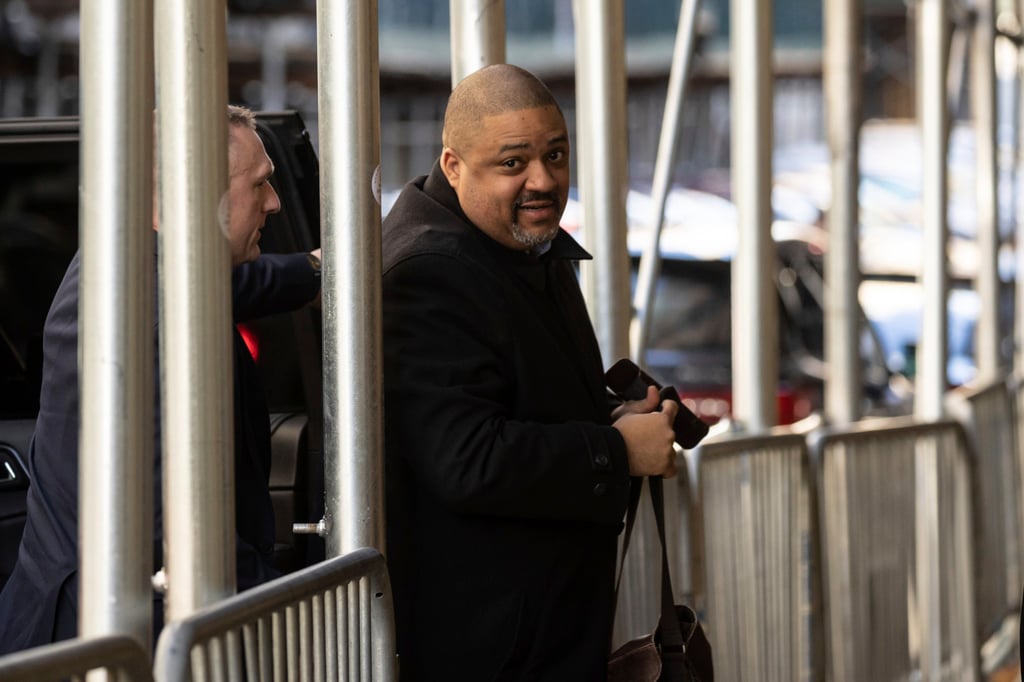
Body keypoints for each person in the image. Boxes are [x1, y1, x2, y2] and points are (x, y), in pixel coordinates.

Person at [382, 64, 679, 681]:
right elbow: (465, 457)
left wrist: (611, 420)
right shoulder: (429, 271)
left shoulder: (510, 241)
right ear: (454, 165)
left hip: (532, 629)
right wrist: (614, 450)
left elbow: (513, 406)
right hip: (489, 646)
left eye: (556, 154)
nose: (543, 180)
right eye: (513, 163)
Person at [0, 105, 322, 653]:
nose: (273, 201)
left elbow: (248, 283)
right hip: (104, 648)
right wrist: (299, 622)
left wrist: (320, 266)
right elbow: (166, 531)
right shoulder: (141, 316)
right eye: (260, 185)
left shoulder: (143, 264)